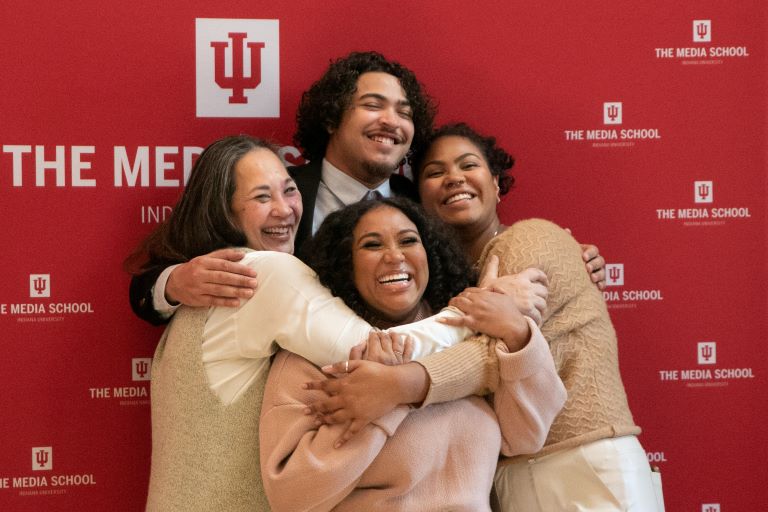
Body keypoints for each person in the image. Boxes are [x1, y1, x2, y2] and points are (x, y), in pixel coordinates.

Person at [128, 50, 605, 326]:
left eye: (405, 111)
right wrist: (178, 283)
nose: (392, 122)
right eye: (373, 105)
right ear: (333, 115)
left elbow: (485, 254)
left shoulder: (426, 203)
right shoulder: (277, 195)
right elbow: (146, 285)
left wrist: (562, 260)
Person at [131, 135, 481, 511]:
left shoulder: (210, 279)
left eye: (289, 190)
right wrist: (482, 314)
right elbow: (380, 349)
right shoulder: (267, 272)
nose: (285, 210)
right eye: (262, 198)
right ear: (225, 212)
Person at [414, 123, 663, 511]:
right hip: (514, 475)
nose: (453, 178)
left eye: (468, 165)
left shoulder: (529, 239)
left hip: (583, 462)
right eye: (434, 172)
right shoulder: (447, 281)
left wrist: (397, 383)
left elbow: (486, 357)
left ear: (496, 184)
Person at [259, 197, 566, 511]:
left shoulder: (472, 335)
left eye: (408, 241)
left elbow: (526, 438)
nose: (394, 256)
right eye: (372, 245)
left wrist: (518, 333)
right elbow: (291, 497)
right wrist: (383, 398)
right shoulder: (311, 358)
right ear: (346, 264)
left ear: (429, 255)